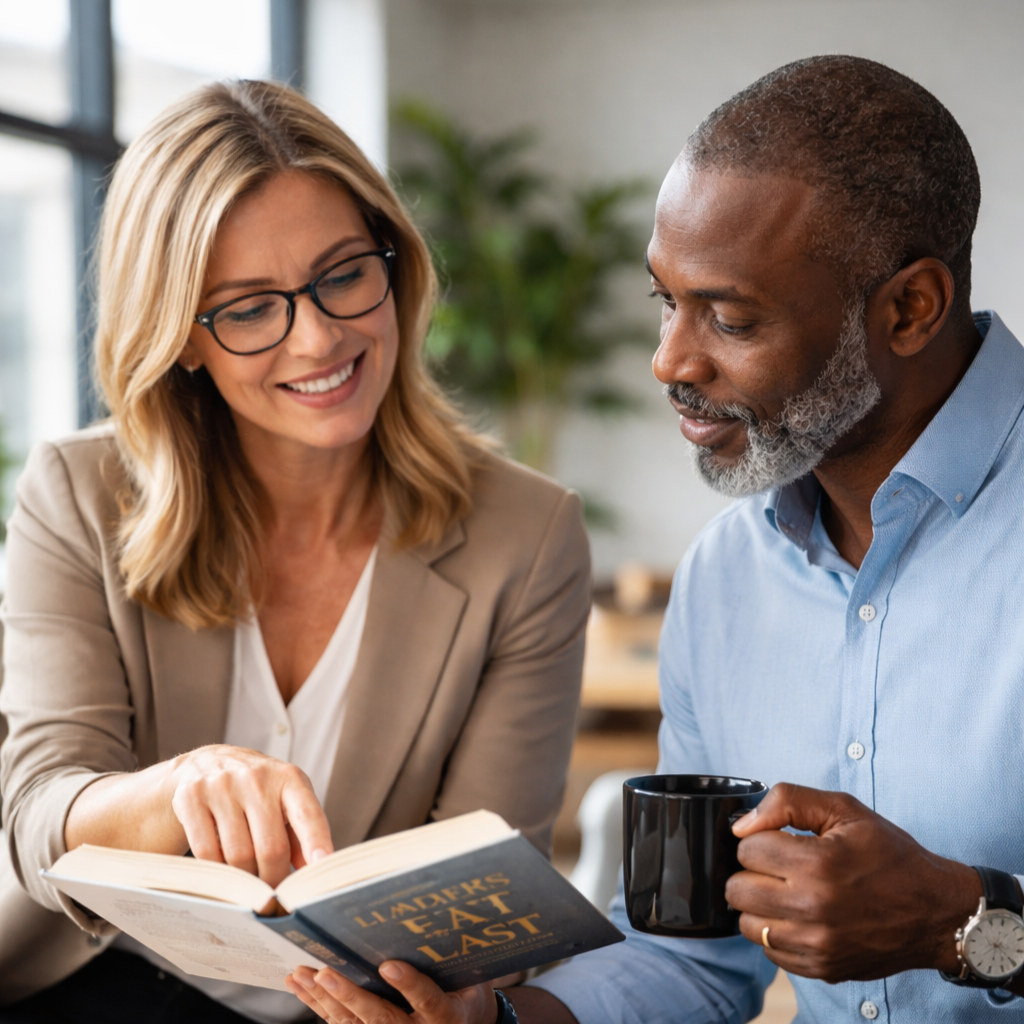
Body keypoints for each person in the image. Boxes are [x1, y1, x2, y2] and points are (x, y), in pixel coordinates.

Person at [280, 55, 1024, 1024]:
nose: (669, 358)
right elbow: (691, 960)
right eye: (665, 300)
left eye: (730, 315)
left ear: (908, 308)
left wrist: (964, 925)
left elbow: (957, 929)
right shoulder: (726, 578)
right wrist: (498, 1021)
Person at [0, 80, 591, 1023]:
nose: (318, 336)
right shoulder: (76, 493)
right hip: (95, 983)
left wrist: (469, 1003)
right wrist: (179, 790)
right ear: (182, 338)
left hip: (353, 1007)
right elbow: (37, 816)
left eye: (344, 274)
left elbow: (493, 896)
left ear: (392, 263)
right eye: (247, 309)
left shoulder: (527, 534)